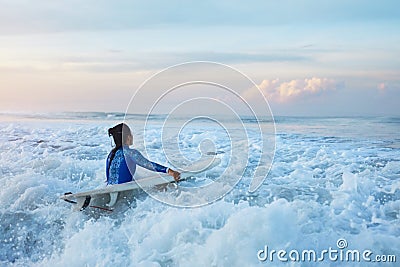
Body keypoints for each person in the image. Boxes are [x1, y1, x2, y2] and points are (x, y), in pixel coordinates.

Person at [106, 123, 180, 185]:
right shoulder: (131, 153)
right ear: (128, 137)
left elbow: (108, 177)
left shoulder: (111, 154)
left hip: (110, 188)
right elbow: (148, 165)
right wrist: (169, 171)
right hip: (122, 191)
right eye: (131, 134)